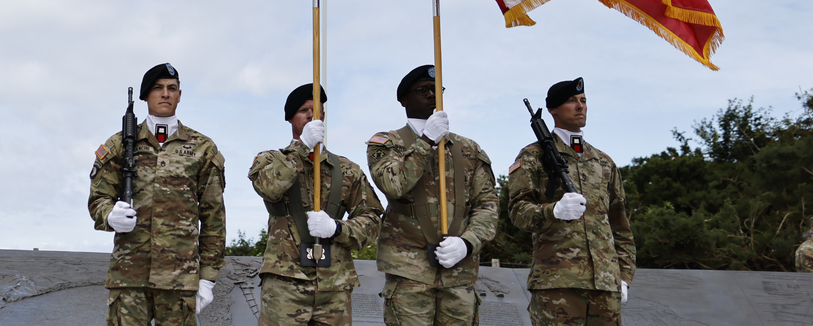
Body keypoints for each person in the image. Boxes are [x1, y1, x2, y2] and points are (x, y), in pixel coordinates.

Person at [88, 63, 227, 326]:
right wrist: (110, 215)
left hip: (179, 280)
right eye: (158, 88)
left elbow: (213, 218)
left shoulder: (202, 148)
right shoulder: (118, 145)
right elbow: (98, 199)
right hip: (129, 278)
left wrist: (208, 278)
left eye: (171, 88)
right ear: (145, 96)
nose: (165, 94)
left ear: (179, 95)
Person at [366, 65, 499, 325]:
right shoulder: (386, 142)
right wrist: (426, 141)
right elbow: (393, 185)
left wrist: (468, 242)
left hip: (459, 272)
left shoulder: (468, 149)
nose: (431, 96)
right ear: (404, 99)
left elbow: (487, 205)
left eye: (437, 90)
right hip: (409, 271)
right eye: (422, 90)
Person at [248, 83, 384, 325]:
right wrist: (302, 148)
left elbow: (372, 218)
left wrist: (338, 229)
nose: (312, 116)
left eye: (317, 110)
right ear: (290, 118)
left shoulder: (348, 170)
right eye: (303, 110)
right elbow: (269, 188)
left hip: (335, 287)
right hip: (285, 284)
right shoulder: (269, 159)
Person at [508, 77, 636, 326]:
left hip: (606, 286)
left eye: (583, 101)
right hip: (557, 284)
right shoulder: (533, 156)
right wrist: (553, 211)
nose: (580, 106)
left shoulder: (603, 162)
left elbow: (621, 228)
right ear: (553, 109)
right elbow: (517, 212)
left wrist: (623, 277)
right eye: (571, 101)